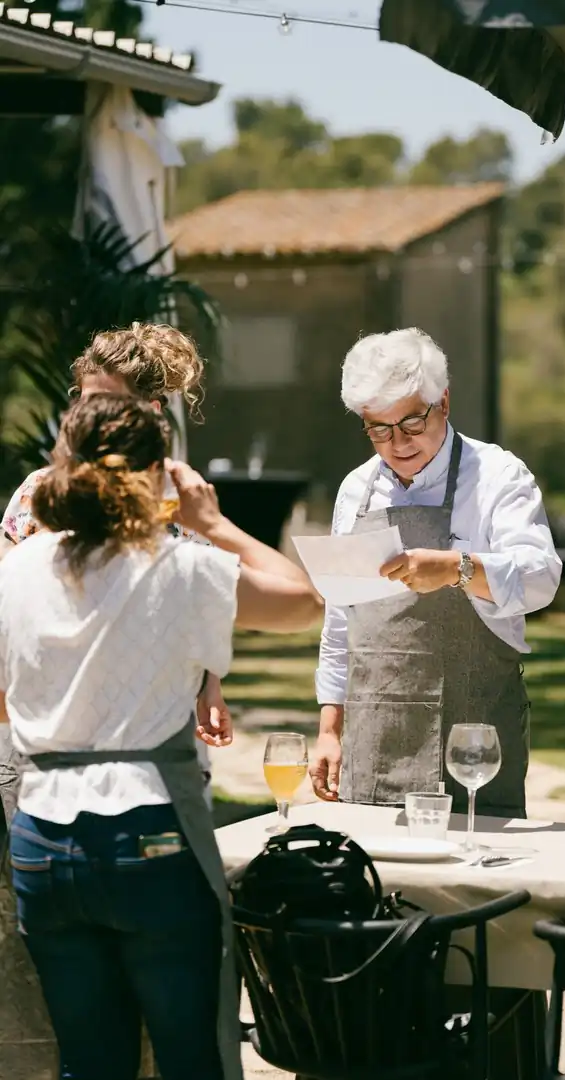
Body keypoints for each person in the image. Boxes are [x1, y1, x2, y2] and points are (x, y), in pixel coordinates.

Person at [0, 393, 323, 1080]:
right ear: (158, 473)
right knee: (190, 1055)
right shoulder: (180, 567)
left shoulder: (18, 569)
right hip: (150, 831)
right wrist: (216, 522)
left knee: (90, 1063)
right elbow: (304, 602)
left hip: (41, 837)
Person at [310, 328, 562, 816]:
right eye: (378, 429)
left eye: (410, 422)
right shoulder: (355, 490)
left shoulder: (497, 476)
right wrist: (328, 729)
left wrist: (457, 568)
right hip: (374, 741)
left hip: (474, 742)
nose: (397, 443)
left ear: (443, 401)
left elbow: (540, 577)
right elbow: (340, 622)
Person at [1, 323, 228, 797]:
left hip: (148, 741)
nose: (94, 417)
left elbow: (204, 609)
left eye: (110, 404)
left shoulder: (184, 499)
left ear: (151, 412)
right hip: (40, 739)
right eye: (85, 402)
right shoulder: (38, 494)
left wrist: (211, 686)